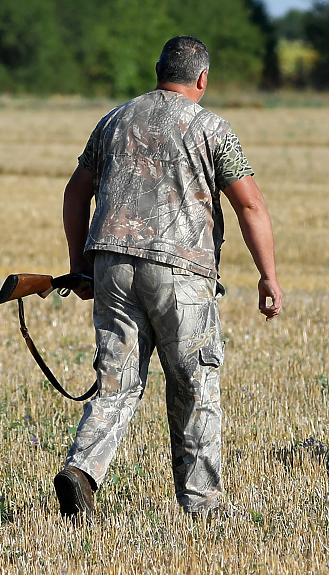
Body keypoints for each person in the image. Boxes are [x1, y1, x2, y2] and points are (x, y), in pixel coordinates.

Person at [55, 35, 283, 519]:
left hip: (111, 264)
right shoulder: (211, 127)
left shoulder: (114, 120)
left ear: (158, 71)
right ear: (203, 78)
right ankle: (202, 508)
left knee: (116, 383)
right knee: (194, 385)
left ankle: (81, 469)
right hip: (181, 272)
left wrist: (80, 265)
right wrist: (268, 276)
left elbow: (75, 194)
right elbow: (250, 204)